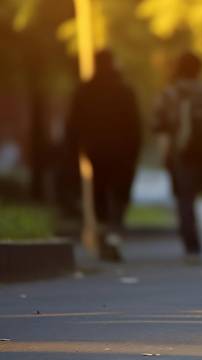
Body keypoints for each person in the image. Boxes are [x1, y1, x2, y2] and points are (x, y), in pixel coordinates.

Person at [154, 52, 202, 263]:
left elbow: (160, 127)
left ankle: (192, 248)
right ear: (199, 69)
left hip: (183, 153)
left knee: (185, 199)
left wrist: (166, 155)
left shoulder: (170, 94)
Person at [67, 50, 141, 262]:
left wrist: (76, 151)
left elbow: (73, 124)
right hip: (122, 153)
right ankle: (114, 233)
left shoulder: (85, 90)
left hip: (95, 151)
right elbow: (135, 125)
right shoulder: (124, 90)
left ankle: (102, 235)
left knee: (99, 193)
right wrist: (134, 152)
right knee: (119, 194)